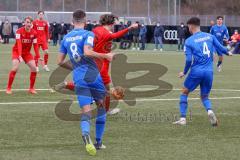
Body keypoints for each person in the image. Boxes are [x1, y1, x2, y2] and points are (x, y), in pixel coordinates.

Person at [58, 9, 115, 156]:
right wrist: (105, 55)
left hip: (78, 77)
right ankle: (98, 142)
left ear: (72, 21)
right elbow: (88, 52)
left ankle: (85, 133)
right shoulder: (88, 34)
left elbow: (60, 62)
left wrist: (76, 67)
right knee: (101, 106)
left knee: (86, 110)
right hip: (92, 75)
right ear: (86, 21)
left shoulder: (65, 38)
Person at [57, 14, 138, 115]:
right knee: (105, 88)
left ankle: (100, 106)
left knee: (97, 87)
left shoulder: (97, 29)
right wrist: (129, 28)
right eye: (115, 22)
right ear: (112, 23)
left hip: (97, 62)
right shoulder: (105, 33)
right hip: (100, 63)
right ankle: (104, 110)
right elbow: (114, 36)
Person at [173, 17, 232, 126]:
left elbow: (189, 60)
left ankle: (182, 119)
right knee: (204, 96)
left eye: (188, 26)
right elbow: (221, 48)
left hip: (196, 71)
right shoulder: (210, 36)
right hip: (209, 72)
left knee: (184, 92)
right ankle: (209, 111)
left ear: (191, 26)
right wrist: (228, 53)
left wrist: (184, 72)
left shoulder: (189, 41)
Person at [6, 16, 40, 94]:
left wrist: (38, 56)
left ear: (32, 24)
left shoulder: (34, 33)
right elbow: (19, 44)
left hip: (27, 53)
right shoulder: (19, 31)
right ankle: (8, 88)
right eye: (27, 22)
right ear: (24, 23)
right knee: (15, 68)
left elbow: (35, 45)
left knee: (34, 68)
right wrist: (20, 55)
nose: (28, 24)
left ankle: (31, 89)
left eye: (30, 22)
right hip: (17, 51)